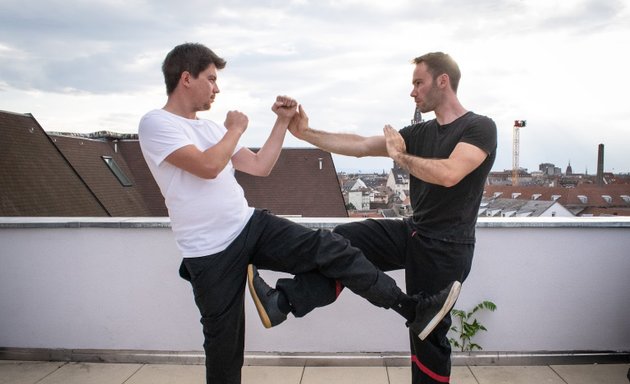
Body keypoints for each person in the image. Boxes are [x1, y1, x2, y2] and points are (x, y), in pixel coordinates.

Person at [138, 43, 462, 384]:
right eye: (211, 79)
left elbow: (260, 166)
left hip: (249, 225)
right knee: (224, 346)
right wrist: (235, 128)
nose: (217, 88)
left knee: (332, 248)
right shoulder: (157, 124)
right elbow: (206, 166)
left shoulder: (210, 129)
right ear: (186, 78)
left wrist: (281, 122)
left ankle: (410, 308)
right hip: (208, 251)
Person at [275, 52, 498, 383]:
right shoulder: (421, 133)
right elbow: (362, 144)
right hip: (414, 232)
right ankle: (284, 300)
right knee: (344, 241)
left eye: (418, 83)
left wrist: (400, 156)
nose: (413, 92)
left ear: (443, 81)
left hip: (447, 247)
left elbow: (451, 173)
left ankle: (417, 320)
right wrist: (306, 132)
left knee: (428, 339)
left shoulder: (479, 127)